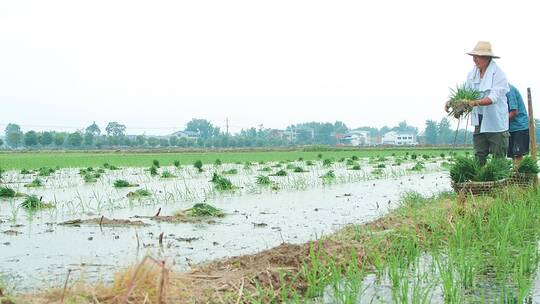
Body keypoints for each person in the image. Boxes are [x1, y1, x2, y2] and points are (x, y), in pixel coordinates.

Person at [464, 41, 510, 165]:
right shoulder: (472, 74)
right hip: (479, 120)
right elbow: (465, 93)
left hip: (496, 122)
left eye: (477, 57)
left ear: (487, 58)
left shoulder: (498, 74)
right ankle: (479, 182)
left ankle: (500, 183)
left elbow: (493, 98)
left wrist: (475, 102)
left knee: (498, 157)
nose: (474, 60)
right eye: (473, 57)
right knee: (479, 155)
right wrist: (453, 102)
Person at [507, 84, 530, 167]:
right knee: (513, 154)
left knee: (518, 154)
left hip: (519, 126)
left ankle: (518, 176)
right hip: (510, 127)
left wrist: (501, 122)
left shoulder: (509, 90)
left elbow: (514, 112)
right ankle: (515, 175)